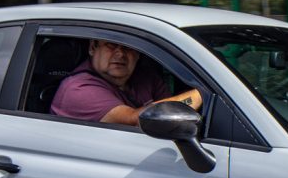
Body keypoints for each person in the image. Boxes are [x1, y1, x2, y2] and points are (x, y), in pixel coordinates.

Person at [50, 39, 202, 126]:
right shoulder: (78, 89)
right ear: (93, 48)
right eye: (111, 44)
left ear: (138, 54)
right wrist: (203, 94)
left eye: (128, 47)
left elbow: (172, 117)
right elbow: (135, 121)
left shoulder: (146, 77)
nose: (120, 53)